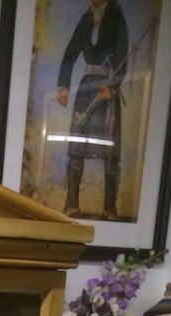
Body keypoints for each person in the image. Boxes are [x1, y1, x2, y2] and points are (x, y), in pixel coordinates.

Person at [56, 0, 129, 220]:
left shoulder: (116, 16)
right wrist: (63, 87)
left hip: (107, 90)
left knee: (110, 153)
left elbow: (122, 53)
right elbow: (70, 54)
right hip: (87, 87)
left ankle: (109, 208)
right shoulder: (86, 19)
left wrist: (113, 85)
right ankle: (71, 205)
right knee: (77, 145)